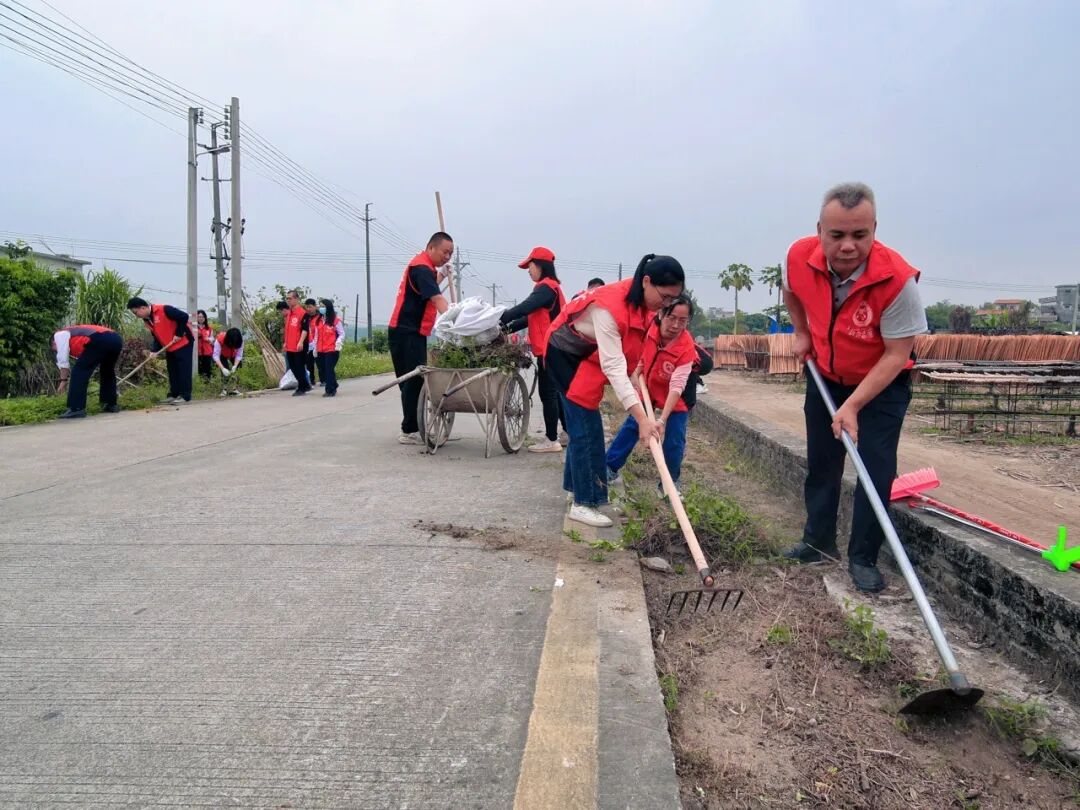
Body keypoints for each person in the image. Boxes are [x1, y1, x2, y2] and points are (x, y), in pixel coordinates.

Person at [781, 182, 927, 593]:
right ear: (820, 230)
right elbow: (790, 289)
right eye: (837, 234)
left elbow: (897, 355)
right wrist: (801, 330)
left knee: (874, 470)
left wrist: (854, 406)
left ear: (874, 230)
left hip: (881, 386)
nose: (848, 246)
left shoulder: (897, 281)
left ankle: (862, 557)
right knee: (823, 463)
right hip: (826, 376)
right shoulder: (798, 256)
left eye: (859, 235)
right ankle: (818, 542)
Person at [545, 254, 685, 527]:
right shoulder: (608, 307)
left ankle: (576, 488)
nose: (666, 305)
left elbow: (630, 351)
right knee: (586, 426)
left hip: (587, 353)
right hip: (564, 353)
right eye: (665, 297)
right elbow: (613, 367)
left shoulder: (641, 302)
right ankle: (584, 503)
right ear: (646, 282)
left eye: (673, 300)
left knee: (584, 425)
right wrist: (643, 420)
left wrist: (635, 375)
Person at [605, 295, 697, 493]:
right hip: (649, 386)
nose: (676, 325)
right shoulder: (650, 328)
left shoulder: (686, 347)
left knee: (674, 440)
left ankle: (669, 484)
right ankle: (609, 468)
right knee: (633, 426)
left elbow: (677, 385)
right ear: (662, 313)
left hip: (676, 397)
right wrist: (638, 369)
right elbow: (641, 351)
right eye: (672, 317)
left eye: (683, 320)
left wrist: (662, 420)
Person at [387, 232, 453, 443]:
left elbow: (429, 287)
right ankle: (409, 430)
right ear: (431, 248)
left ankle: (412, 426)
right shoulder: (422, 268)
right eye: (445, 252)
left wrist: (441, 275)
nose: (448, 257)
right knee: (413, 380)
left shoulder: (424, 266)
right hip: (406, 331)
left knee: (413, 379)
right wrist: (457, 322)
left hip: (412, 331)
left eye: (450, 254)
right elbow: (436, 298)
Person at [499, 246, 566, 453]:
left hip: (551, 348)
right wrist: (505, 327)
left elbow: (525, 307)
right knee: (556, 393)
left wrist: (500, 317)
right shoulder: (549, 288)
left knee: (548, 394)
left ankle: (551, 440)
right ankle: (568, 432)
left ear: (540, 266)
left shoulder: (546, 288)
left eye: (530, 266)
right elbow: (529, 317)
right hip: (554, 348)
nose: (529, 271)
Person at [127, 297, 193, 404]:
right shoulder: (147, 320)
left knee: (183, 369)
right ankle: (174, 394)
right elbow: (156, 335)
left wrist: (179, 333)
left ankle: (185, 396)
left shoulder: (164, 309)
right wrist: (154, 350)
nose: (136, 316)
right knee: (172, 370)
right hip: (170, 346)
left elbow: (183, 316)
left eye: (136, 312)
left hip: (183, 342)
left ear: (143, 308)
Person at [52, 324, 123, 419]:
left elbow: (63, 360)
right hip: (116, 339)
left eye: (55, 350)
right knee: (107, 370)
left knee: (78, 371)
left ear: (53, 343)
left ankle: (76, 408)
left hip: (100, 339)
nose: (57, 351)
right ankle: (110, 404)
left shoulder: (59, 335)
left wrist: (63, 380)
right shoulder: (74, 335)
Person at [283, 290, 312, 396]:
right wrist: (285, 342)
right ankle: (305, 384)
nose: (288, 301)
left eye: (290, 298)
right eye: (287, 299)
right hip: (289, 346)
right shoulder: (289, 313)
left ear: (296, 299)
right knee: (293, 367)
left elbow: (305, 330)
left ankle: (301, 387)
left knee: (299, 367)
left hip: (299, 345)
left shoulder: (302, 313)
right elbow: (288, 329)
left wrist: (300, 342)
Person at [313, 298, 344, 397]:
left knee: (329, 369)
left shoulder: (335, 320)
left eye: (323, 306)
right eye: (320, 306)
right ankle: (334, 384)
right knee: (323, 369)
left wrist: (338, 343)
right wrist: (314, 348)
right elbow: (316, 335)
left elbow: (341, 333)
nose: (321, 308)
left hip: (332, 349)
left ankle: (330, 390)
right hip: (320, 349)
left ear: (328, 307)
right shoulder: (319, 320)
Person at [213, 327, 244, 395]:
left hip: (234, 355)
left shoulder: (240, 341)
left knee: (238, 368)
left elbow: (239, 355)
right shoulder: (220, 339)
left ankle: (235, 389)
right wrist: (222, 368)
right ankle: (224, 389)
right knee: (225, 369)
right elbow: (215, 355)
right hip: (223, 354)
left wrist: (235, 366)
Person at [303, 298, 320, 386]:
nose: (308, 309)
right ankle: (311, 380)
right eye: (307, 307)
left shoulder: (320, 317)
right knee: (309, 363)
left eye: (310, 307)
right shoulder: (305, 317)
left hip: (318, 344)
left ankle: (323, 379)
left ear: (315, 307)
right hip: (309, 345)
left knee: (320, 363)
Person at [195, 309, 214, 381]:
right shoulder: (194, 328)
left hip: (207, 351)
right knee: (199, 368)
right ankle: (199, 382)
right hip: (197, 351)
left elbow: (212, 339)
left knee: (207, 368)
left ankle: (207, 383)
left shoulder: (209, 328)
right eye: (199, 317)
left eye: (202, 317)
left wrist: (208, 339)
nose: (201, 318)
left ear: (205, 318)